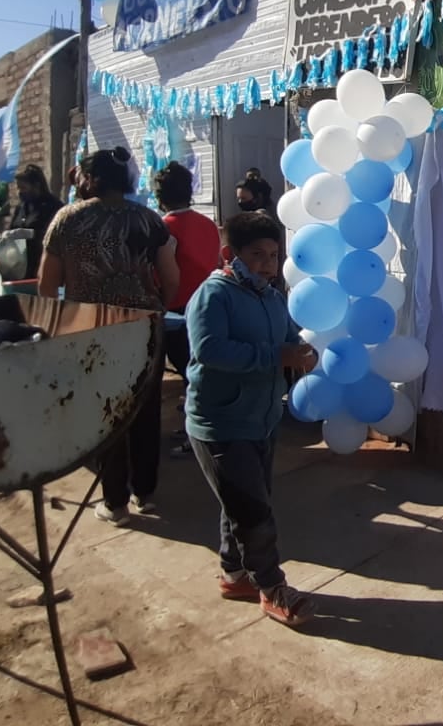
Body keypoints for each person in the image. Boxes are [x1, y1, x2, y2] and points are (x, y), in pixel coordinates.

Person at [184, 211, 318, 627]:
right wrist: (277, 357)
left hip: (261, 418)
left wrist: (300, 352)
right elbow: (211, 351)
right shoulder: (214, 295)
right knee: (253, 511)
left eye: (274, 255)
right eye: (257, 255)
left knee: (243, 501)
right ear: (231, 254)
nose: (267, 264)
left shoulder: (272, 296)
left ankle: (234, 574)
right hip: (220, 422)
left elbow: (287, 338)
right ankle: (271, 586)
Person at [39, 146, 180, 526]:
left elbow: (47, 286)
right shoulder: (149, 220)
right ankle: (145, 493)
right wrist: (156, 307)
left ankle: (114, 502)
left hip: (92, 330)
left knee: (106, 413)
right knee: (143, 410)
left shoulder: (67, 219)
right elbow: (170, 278)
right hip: (143, 328)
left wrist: (58, 328)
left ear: (87, 179)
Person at [152, 163, 222, 454]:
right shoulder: (208, 224)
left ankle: (197, 435)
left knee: (191, 376)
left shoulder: (163, 228)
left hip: (178, 311)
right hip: (210, 304)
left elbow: (165, 275)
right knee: (204, 372)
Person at [4, 165, 63, 280]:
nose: (19, 192)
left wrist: (32, 234)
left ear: (36, 186)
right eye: (18, 188)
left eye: (23, 188)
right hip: (20, 268)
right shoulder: (21, 208)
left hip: (43, 267)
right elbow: (11, 229)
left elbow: (59, 237)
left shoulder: (53, 206)